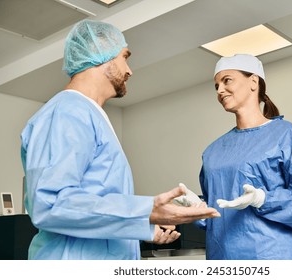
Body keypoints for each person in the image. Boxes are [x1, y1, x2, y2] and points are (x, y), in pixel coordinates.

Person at [20, 19, 220, 260]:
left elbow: (95, 203)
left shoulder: (90, 115)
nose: (129, 70)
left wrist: (145, 227)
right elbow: (50, 204)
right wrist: (147, 210)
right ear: (100, 54)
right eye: (125, 57)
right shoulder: (67, 112)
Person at [197, 54, 292, 260]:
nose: (220, 90)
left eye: (227, 80)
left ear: (253, 82)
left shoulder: (284, 134)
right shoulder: (213, 151)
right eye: (216, 85)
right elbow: (218, 210)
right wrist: (196, 208)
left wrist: (263, 199)